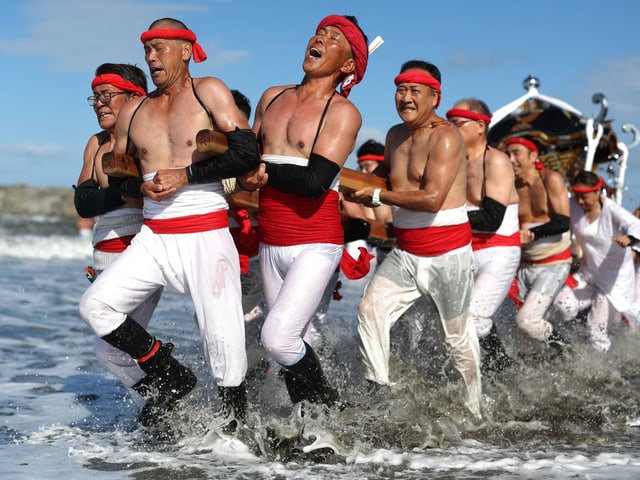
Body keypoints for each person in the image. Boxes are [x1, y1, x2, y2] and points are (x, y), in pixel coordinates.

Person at [78, 18, 261, 429]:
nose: (151, 57)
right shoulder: (136, 110)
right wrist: (139, 186)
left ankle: (238, 432)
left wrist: (186, 175)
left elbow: (247, 151)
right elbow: (122, 171)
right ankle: (169, 372)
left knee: (223, 344)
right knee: (95, 306)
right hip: (154, 235)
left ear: (186, 50)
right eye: (147, 49)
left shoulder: (208, 90)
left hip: (206, 231)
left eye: (160, 47)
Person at [242, 14, 368, 408]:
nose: (320, 37)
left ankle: (329, 405)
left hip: (315, 241)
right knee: (288, 345)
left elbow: (314, 183)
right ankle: (309, 422)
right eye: (320, 32)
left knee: (277, 338)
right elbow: (247, 157)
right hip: (271, 242)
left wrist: (262, 169)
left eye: (334, 38)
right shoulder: (271, 97)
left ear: (348, 65)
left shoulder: (342, 112)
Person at [346, 60, 482, 419]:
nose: (405, 98)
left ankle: (474, 412)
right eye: (400, 90)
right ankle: (379, 390)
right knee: (370, 309)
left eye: (414, 92)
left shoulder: (447, 136)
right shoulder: (393, 136)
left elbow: (432, 197)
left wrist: (377, 198)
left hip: (448, 254)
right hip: (406, 252)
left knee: (456, 341)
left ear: (435, 96)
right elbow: (388, 180)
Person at [73, 63, 168, 407]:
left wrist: (125, 193)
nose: (100, 103)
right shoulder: (95, 144)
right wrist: (121, 193)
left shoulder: (147, 138)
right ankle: (161, 407)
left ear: (134, 97)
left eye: (107, 95)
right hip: (103, 251)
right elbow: (83, 202)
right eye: (95, 97)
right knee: (116, 346)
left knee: (107, 348)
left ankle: (165, 397)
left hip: (136, 248)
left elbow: (146, 191)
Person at [446, 100, 520, 372]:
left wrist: (442, 216)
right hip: (464, 249)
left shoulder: (496, 161)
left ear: (480, 126)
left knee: (473, 319)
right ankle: (500, 369)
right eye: (449, 122)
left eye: (458, 123)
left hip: (498, 252)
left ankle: (499, 372)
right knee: (449, 321)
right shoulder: (451, 161)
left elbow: (491, 220)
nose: (451, 128)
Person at [553, 171, 640, 351]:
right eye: (577, 196)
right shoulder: (573, 205)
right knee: (563, 305)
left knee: (596, 329)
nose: (580, 202)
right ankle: (568, 346)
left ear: (597, 191)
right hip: (589, 274)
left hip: (615, 281)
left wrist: (630, 239)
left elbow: (635, 225)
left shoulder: (613, 211)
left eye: (584, 197)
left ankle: (602, 372)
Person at [505, 136, 571, 352]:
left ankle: (566, 349)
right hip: (524, 265)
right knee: (520, 335)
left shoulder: (550, 179)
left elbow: (563, 222)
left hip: (554, 263)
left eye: (516, 153)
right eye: (508, 154)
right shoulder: (509, 187)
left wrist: (531, 233)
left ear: (533, 157)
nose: (511, 159)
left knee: (526, 321)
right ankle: (539, 366)